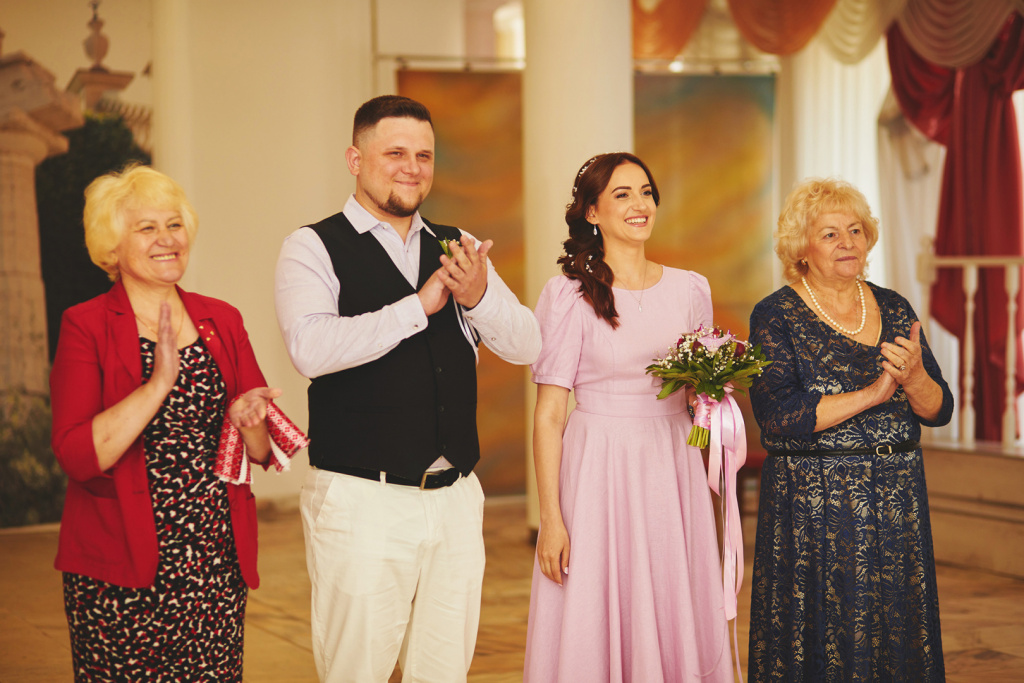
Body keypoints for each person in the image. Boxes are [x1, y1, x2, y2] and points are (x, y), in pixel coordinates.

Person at [274, 94, 541, 683]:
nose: (412, 168)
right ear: (355, 159)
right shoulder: (312, 246)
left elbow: (527, 345)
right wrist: (418, 307)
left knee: (444, 671)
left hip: (455, 498)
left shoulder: (457, 244)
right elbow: (310, 348)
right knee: (357, 671)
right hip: (361, 500)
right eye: (395, 153)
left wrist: (478, 297)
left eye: (424, 155)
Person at [50, 164, 291, 680]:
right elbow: (76, 455)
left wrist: (251, 420)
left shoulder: (221, 318)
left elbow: (260, 450)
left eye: (174, 224)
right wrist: (157, 384)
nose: (167, 239)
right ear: (112, 248)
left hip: (213, 558)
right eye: (147, 228)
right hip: (122, 563)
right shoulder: (85, 325)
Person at [523, 152, 733, 682]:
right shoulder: (568, 295)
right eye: (622, 194)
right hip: (598, 466)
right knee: (598, 593)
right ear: (592, 212)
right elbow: (549, 415)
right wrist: (551, 518)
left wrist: (708, 403)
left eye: (646, 192)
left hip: (673, 462)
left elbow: (697, 397)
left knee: (670, 588)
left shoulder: (691, 289)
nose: (640, 204)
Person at [747, 177, 952, 681]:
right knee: (825, 633)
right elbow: (778, 416)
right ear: (801, 249)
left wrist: (915, 378)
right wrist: (873, 395)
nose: (848, 243)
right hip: (815, 505)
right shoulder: (775, 314)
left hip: (897, 498)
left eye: (856, 230)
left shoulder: (896, 306)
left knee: (896, 626)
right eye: (831, 234)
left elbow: (939, 409)